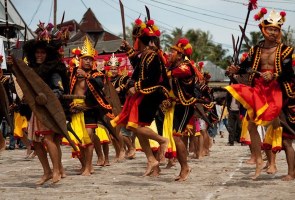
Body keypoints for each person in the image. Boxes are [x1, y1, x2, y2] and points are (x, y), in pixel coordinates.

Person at [225, 9, 295, 179]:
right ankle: (258, 160)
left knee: (275, 124)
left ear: (279, 32)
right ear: (263, 29)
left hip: (276, 90)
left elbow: (288, 73)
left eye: (276, 30)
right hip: (258, 88)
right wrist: (236, 69)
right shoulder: (255, 49)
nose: (273, 32)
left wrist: (274, 75)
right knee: (251, 126)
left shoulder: (285, 50)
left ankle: (283, 166)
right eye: (270, 29)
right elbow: (246, 66)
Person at [10, 23, 70, 184]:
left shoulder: (54, 69)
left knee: (50, 140)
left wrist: (46, 97)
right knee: (36, 143)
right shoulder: (31, 69)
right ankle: (47, 171)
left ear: (48, 54)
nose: (39, 55)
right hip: (35, 111)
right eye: (37, 52)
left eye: (42, 52)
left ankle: (57, 170)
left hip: (49, 111)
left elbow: (59, 89)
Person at [111, 18, 169, 176]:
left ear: (139, 40)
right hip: (142, 94)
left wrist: (135, 86)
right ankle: (152, 161)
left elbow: (152, 77)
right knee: (136, 128)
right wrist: (129, 49)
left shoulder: (152, 55)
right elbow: (136, 64)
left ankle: (162, 140)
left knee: (136, 127)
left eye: (134, 40)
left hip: (150, 93)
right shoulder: (144, 55)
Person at [68, 36, 115, 176]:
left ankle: (89, 167)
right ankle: (84, 166)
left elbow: (100, 85)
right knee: (78, 139)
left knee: (88, 137)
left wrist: (87, 76)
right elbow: (67, 90)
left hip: (89, 110)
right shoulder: (72, 73)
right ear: (80, 59)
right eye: (85, 58)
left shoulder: (97, 74)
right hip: (75, 109)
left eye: (90, 59)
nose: (88, 61)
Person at [165, 38, 198, 181]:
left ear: (179, 54)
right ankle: (183, 167)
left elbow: (177, 73)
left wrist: (163, 67)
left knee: (177, 136)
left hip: (186, 105)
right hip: (178, 105)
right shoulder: (174, 67)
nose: (169, 54)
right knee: (176, 136)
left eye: (172, 52)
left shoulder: (186, 66)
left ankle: (185, 167)